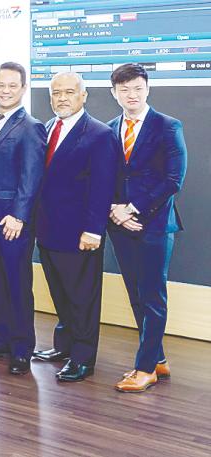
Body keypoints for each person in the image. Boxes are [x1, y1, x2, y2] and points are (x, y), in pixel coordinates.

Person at [32, 72, 119, 382]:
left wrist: (94, 230)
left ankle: (83, 358)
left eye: (70, 92)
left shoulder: (99, 134)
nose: (62, 98)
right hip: (47, 230)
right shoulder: (46, 129)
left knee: (82, 298)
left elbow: (102, 186)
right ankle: (64, 346)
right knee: (60, 293)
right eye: (56, 93)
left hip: (81, 234)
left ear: (84, 96)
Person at [105, 63, 187, 393]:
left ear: (147, 89)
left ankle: (144, 369)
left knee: (153, 296)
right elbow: (105, 176)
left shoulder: (168, 126)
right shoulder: (110, 128)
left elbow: (173, 180)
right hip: (120, 226)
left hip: (154, 224)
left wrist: (133, 208)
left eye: (137, 88)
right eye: (124, 90)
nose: (131, 95)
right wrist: (114, 210)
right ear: (114, 93)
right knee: (136, 296)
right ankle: (158, 357)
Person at [0, 62, 47, 375]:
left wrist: (19, 216)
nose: (5, 90)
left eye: (12, 85)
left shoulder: (31, 126)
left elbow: (32, 177)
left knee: (17, 284)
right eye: (0, 85)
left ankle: (21, 348)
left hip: (13, 223)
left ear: (23, 88)